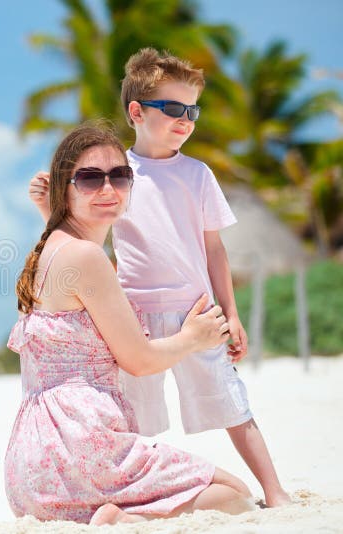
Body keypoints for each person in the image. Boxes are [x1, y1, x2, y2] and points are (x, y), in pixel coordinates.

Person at [28, 48, 290, 507]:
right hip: (135, 317)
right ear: (136, 112)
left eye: (193, 111)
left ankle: (275, 490)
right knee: (135, 417)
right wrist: (50, 210)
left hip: (198, 311)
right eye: (173, 109)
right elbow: (86, 239)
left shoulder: (199, 174)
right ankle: (131, 496)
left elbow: (214, 250)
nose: (186, 120)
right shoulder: (120, 176)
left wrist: (232, 312)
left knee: (231, 404)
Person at [5, 122, 254, 525]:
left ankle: (122, 517)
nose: (108, 189)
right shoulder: (86, 257)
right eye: (89, 179)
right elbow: (138, 361)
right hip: (82, 447)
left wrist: (52, 212)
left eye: (120, 176)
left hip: (31, 472)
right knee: (234, 495)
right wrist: (193, 337)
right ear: (63, 188)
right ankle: (123, 522)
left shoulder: (50, 251)